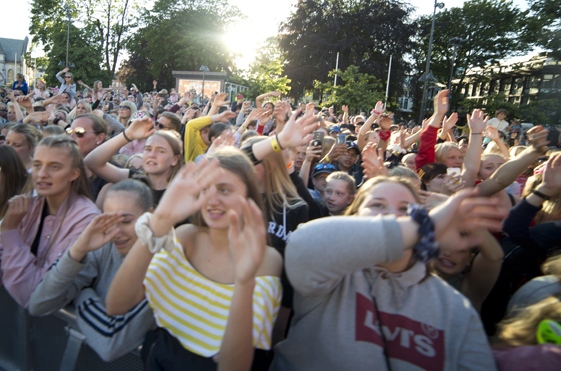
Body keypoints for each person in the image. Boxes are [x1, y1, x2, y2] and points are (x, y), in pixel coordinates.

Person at [270, 178, 502, 370]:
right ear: (353, 218)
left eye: (405, 209)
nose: (391, 215)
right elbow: (304, 241)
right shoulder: (330, 273)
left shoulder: (454, 307)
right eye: (377, 205)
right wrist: (423, 227)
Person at [106, 151, 283, 371]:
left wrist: (244, 280)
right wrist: (160, 221)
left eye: (224, 189)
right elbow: (117, 305)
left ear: (249, 196)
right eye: (205, 189)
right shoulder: (186, 236)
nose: (212, 199)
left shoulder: (267, 259)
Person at [0, 136, 100, 308]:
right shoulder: (28, 208)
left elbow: (32, 295)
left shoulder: (85, 219)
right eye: (37, 165)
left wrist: (10, 232)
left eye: (54, 166)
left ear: (74, 174)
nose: (42, 174)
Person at [29, 179, 156, 362]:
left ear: (150, 216)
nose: (115, 232)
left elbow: (111, 345)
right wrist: (78, 250)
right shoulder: (103, 249)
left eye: (126, 221)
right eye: (108, 221)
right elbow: (39, 304)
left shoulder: (164, 263)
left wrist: (84, 297)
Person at [84, 118, 182, 206]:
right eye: (148, 149)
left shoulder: (182, 191)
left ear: (174, 159)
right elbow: (91, 162)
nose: (152, 155)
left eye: (161, 151)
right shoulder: (135, 179)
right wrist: (127, 135)